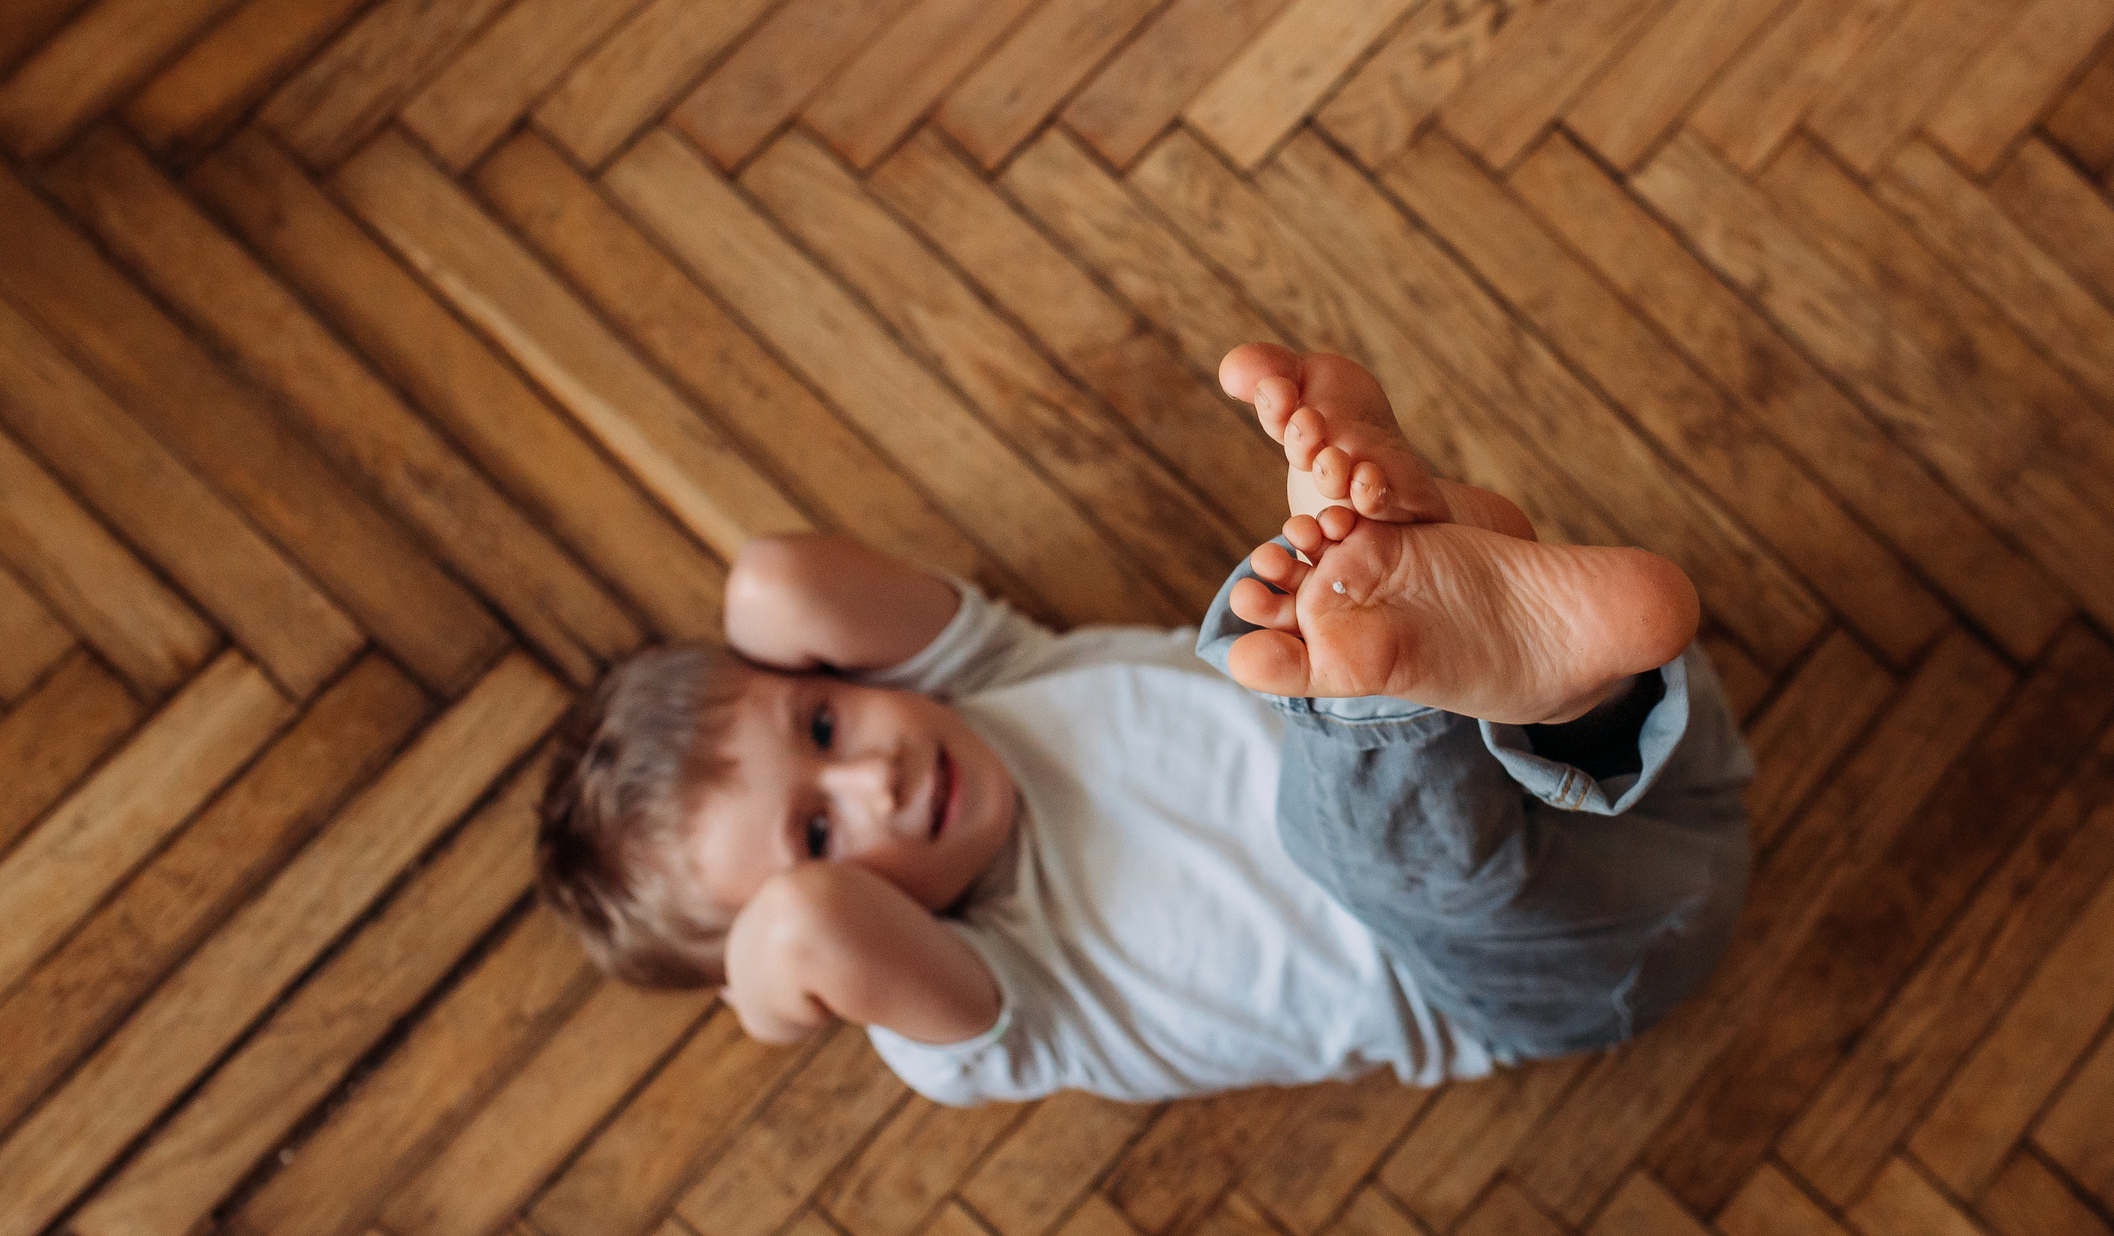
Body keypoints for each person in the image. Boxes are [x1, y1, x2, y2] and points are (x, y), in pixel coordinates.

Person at [534, 344, 1753, 1104]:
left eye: (818, 722)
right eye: (815, 830)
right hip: (1546, 964)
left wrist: (751, 654)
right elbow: (810, 932)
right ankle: (1401, 619)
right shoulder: (983, 1007)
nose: (875, 771)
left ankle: (1500, 656)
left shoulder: (993, 679)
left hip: (1642, 752)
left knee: (1275, 640)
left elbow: (779, 577)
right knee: (1343, 807)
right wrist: (754, 996)